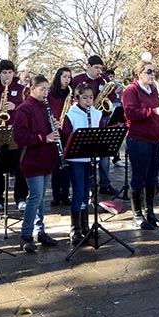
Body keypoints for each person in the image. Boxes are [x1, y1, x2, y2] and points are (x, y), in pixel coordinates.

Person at [11, 75, 60, 252]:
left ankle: (40, 231)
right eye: (42, 89)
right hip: (33, 159)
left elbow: (46, 131)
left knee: (41, 198)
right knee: (35, 198)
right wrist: (43, 137)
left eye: (47, 89)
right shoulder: (24, 109)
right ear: (32, 89)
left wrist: (54, 126)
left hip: (47, 157)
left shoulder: (46, 107)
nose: (46, 93)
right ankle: (25, 235)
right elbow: (20, 137)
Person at [122, 60, 159, 229]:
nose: (152, 75)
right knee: (138, 177)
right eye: (149, 71)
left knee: (152, 178)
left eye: (153, 71)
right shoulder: (130, 91)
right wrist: (154, 111)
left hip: (155, 138)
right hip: (139, 138)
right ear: (139, 73)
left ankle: (150, 212)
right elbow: (130, 113)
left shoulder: (154, 90)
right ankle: (137, 215)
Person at [0, 60, 28, 213]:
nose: (7, 75)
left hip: (17, 133)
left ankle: (21, 198)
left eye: (10, 72)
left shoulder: (22, 90)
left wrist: (15, 107)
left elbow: (28, 109)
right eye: (4, 72)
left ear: (14, 73)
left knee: (20, 166)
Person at [61, 84, 102, 244]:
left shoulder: (97, 114)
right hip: (76, 159)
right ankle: (75, 230)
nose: (88, 101)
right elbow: (66, 136)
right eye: (84, 98)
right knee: (78, 192)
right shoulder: (70, 115)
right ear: (77, 99)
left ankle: (85, 227)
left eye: (91, 97)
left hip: (91, 159)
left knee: (87, 193)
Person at [71, 55, 117, 195]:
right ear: (88, 66)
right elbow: (71, 98)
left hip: (100, 120)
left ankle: (105, 183)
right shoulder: (77, 80)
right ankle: (88, 184)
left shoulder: (103, 80)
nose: (99, 71)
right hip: (82, 120)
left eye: (101, 68)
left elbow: (112, 97)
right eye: (96, 68)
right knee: (87, 153)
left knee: (104, 154)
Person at [47, 67, 73, 206]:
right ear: (58, 77)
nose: (67, 79)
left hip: (68, 131)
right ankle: (56, 195)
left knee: (67, 165)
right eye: (64, 77)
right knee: (57, 166)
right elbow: (48, 109)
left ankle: (66, 195)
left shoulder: (70, 93)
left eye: (69, 77)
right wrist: (54, 121)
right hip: (56, 129)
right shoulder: (51, 94)